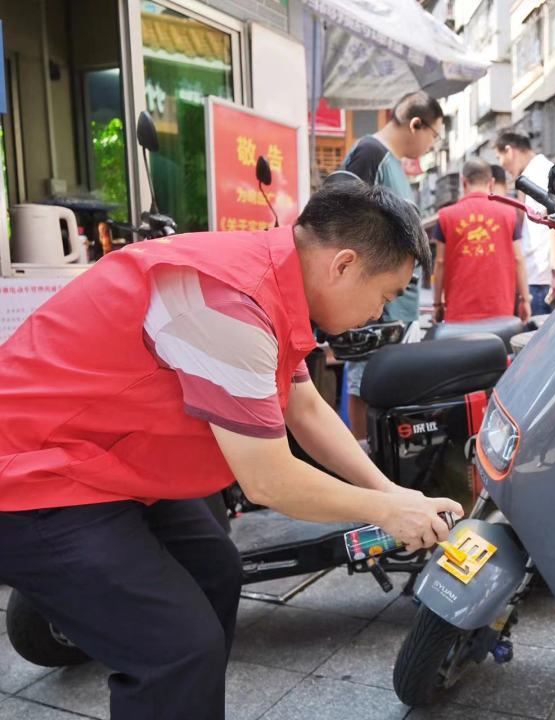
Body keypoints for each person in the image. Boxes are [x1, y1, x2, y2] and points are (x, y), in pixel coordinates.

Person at [0, 182, 463, 720]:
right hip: (34, 473)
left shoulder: (271, 278)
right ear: (343, 265)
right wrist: (386, 512)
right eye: (384, 295)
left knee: (216, 571)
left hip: (109, 462)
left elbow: (306, 409)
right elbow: (270, 481)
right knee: (177, 650)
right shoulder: (230, 304)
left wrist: (392, 493)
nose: (378, 312)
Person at [339, 91, 444, 441]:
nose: (432, 144)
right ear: (416, 124)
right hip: (376, 309)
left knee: (384, 388)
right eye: (434, 134)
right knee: (364, 386)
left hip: (397, 307)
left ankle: (381, 456)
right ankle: (364, 455)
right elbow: (346, 223)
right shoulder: (370, 154)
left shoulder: (393, 164)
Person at [431, 158, 530, 323]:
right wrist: (525, 299)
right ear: (491, 183)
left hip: (458, 312)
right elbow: (518, 259)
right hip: (500, 311)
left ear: (463, 182)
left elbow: (440, 262)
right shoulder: (509, 214)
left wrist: (437, 304)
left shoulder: (445, 216)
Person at [494, 131, 555, 316]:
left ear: (509, 151)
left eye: (500, 157)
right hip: (545, 278)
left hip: (542, 280)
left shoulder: (538, 174)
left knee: (539, 334)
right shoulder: (542, 170)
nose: (502, 165)